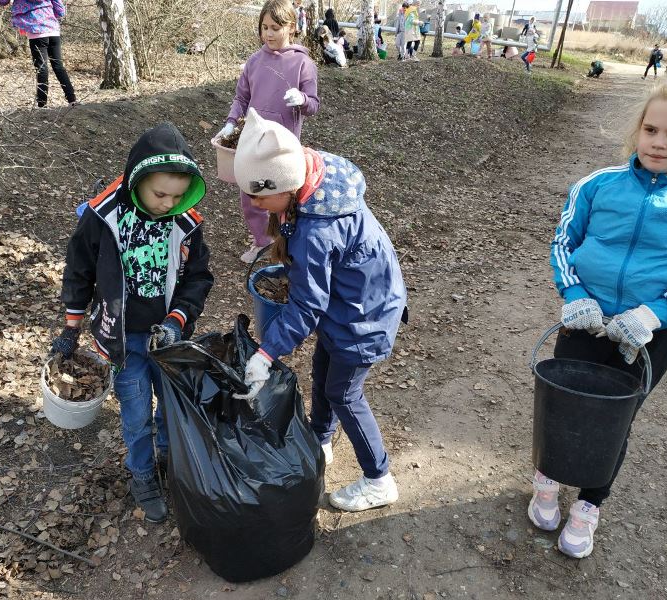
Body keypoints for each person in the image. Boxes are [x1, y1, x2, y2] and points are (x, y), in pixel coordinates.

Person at [533, 69, 667, 559]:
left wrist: (654, 314)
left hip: (647, 336)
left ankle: (589, 504)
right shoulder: (596, 186)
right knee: (563, 406)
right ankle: (547, 480)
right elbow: (565, 241)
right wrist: (575, 292)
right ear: (638, 127)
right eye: (651, 129)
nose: (659, 143)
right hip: (585, 322)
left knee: (614, 419)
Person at [232, 108, 407, 512]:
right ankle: (321, 439)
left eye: (259, 196)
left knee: (344, 393)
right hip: (346, 304)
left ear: (285, 186)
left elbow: (308, 304)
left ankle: (379, 478)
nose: (255, 204)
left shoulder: (318, 230)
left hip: (364, 314)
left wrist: (265, 354)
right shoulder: (312, 177)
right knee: (324, 371)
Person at [51, 122, 213, 523]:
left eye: (176, 195)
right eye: (160, 194)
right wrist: (72, 325)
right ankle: (142, 473)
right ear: (137, 179)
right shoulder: (102, 216)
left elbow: (198, 276)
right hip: (122, 339)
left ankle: (165, 456)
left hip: (168, 339)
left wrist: (178, 319)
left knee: (171, 406)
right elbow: (78, 269)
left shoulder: (185, 222)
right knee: (136, 412)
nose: (166, 203)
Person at [218, 0, 319, 263]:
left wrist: (302, 99)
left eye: (275, 27)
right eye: (264, 27)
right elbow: (241, 98)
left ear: (291, 28)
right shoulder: (254, 61)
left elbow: (313, 104)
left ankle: (286, 246)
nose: (269, 34)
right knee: (251, 196)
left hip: (282, 149)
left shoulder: (302, 63)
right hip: (251, 144)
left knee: (280, 198)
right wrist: (231, 122)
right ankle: (262, 242)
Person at [0, 0, 77, 108]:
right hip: (53, 29)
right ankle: (72, 100)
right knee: (58, 66)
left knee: (41, 68)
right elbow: (60, 10)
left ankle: (42, 104)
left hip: (36, 32)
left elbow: (2, 2)